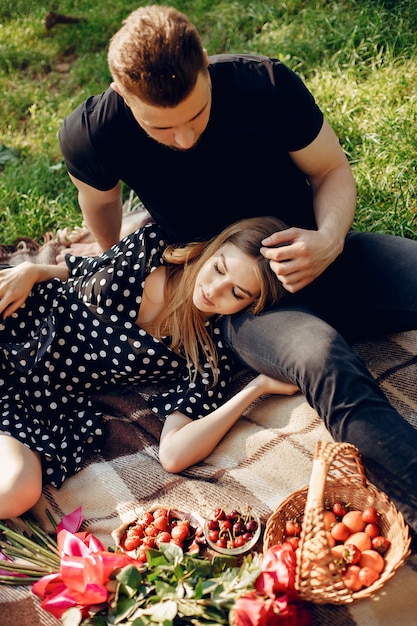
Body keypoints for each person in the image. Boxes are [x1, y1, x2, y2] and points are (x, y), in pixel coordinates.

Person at [57, 5, 417, 533]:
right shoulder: (93, 133)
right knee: (323, 358)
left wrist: (329, 239)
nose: (184, 139)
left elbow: (332, 170)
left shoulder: (264, 84)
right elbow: (101, 208)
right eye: (161, 126)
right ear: (120, 91)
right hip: (243, 304)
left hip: (315, 254)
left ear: (205, 63)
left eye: (196, 116)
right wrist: (123, 268)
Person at [0, 216, 298, 519]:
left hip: (29, 396)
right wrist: (32, 270)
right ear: (213, 249)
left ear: (252, 306)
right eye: (219, 268)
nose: (215, 289)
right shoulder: (153, 247)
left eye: (237, 293)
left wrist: (255, 388)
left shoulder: (207, 355)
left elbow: (173, 454)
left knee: (17, 491)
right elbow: (83, 271)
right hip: (13, 312)